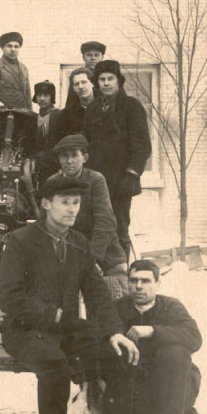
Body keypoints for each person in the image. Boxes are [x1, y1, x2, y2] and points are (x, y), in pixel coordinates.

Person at [0, 175, 146, 414]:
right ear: (46, 204)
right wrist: (54, 315)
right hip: (25, 331)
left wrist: (114, 333)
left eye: (76, 202)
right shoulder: (21, 240)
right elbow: (8, 297)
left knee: (122, 356)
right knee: (55, 366)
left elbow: (97, 294)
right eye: (65, 202)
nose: (72, 209)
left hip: (66, 330)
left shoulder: (78, 242)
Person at [117, 260, 203, 414]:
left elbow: (194, 337)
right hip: (138, 384)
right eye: (133, 280)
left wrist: (153, 331)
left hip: (175, 384)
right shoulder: (119, 308)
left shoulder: (171, 306)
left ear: (158, 283)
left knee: (175, 352)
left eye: (146, 281)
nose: (139, 286)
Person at [83, 60, 152, 262]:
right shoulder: (93, 108)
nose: (106, 83)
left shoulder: (131, 106)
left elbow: (142, 146)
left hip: (121, 181)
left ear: (118, 81)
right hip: (96, 180)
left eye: (110, 79)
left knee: (119, 229)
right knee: (95, 228)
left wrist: (131, 176)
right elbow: (85, 141)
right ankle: (98, 273)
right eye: (102, 79)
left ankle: (121, 272)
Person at [51, 134, 128, 294]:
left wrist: (92, 258)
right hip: (67, 253)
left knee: (119, 297)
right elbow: (47, 223)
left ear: (84, 158)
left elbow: (105, 222)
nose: (69, 161)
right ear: (59, 159)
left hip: (103, 252)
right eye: (64, 156)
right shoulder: (53, 182)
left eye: (74, 155)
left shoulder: (95, 180)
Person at [0, 32, 32, 110]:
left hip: (22, 110)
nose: (13, 50)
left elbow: (27, 94)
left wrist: (30, 112)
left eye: (16, 46)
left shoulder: (23, 67)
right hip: (3, 111)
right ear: (2, 47)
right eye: (9, 46)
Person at [33, 80, 64, 187]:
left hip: (52, 163)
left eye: (46, 95)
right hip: (37, 162)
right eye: (39, 95)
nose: (42, 98)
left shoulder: (58, 115)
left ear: (52, 97)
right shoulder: (34, 117)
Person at [61, 67, 97, 135]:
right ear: (73, 88)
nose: (80, 87)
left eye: (84, 82)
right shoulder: (66, 114)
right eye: (76, 84)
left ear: (92, 83)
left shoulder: (105, 108)